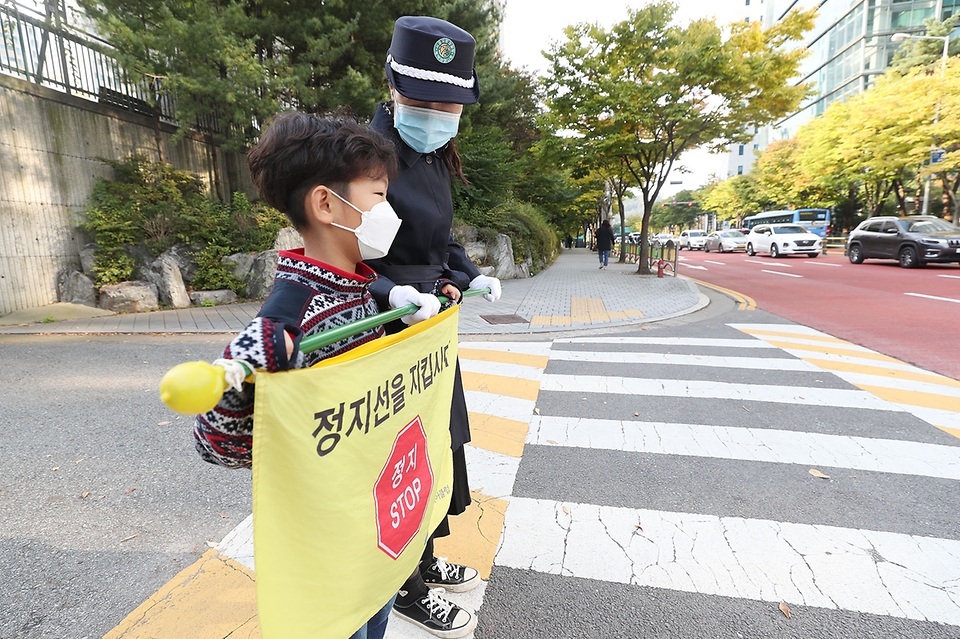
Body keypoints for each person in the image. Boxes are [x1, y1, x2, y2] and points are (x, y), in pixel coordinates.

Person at [192, 112, 440, 639]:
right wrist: (240, 386)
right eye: (378, 195)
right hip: (328, 553)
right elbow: (217, 446)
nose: (390, 211)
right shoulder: (289, 320)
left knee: (376, 622)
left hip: (373, 529)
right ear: (327, 203)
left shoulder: (363, 290)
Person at [365, 15, 502, 639]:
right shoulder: (361, 159)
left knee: (440, 447)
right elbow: (333, 259)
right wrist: (390, 291)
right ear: (391, 87)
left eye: (449, 105)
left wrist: (465, 274)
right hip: (379, 329)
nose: (435, 115)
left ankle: (422, 558)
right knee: (399, 458)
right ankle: (405, 589)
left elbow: (438, 243)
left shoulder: (434, 155)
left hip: (430, 325)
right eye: (421, 102)